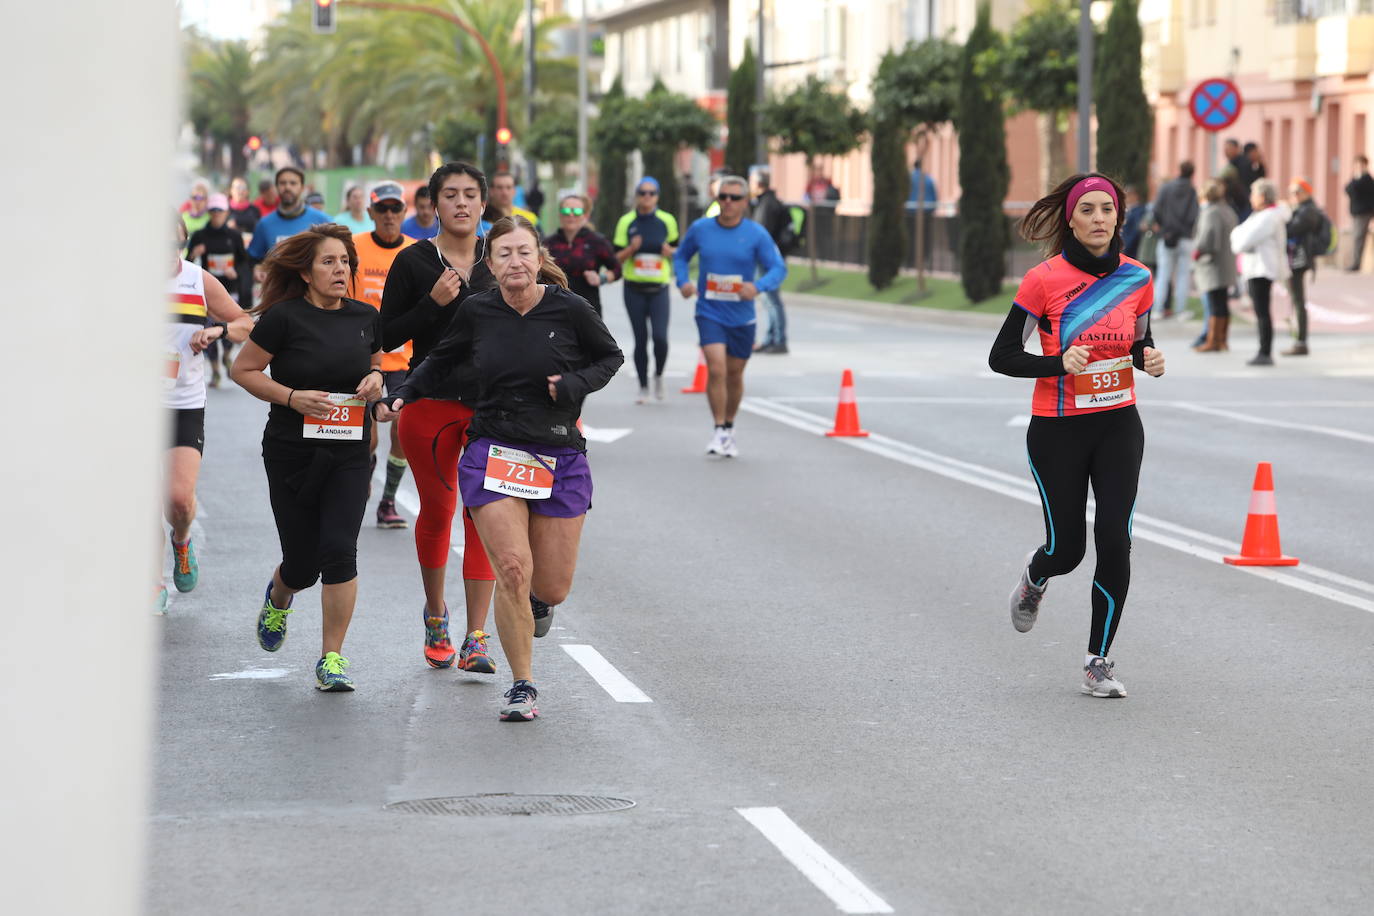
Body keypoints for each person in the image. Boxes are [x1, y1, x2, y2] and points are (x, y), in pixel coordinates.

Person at [378, 215, 624, 721]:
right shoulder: (478, 311)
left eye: (524, 252)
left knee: (549, 585)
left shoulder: (570, 308)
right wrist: (403, 392)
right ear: (491, 264)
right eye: (504, 254)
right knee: (511, 567)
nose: (515, 262)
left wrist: (575, 385)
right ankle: (523, 685)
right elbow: (439, 361)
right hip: (495, 448)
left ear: (539, 260)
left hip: (558, 452)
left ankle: (539, 602)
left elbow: (610, 357)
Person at [988, 173, 1166, 699]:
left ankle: (1098, 661)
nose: (1097, 219)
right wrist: (1056, 363)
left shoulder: (1138, 278)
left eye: (1106, 210)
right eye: (1086, 210)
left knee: (1115, 538)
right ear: (1070, 218)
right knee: (1067, 549)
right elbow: (1002, 357)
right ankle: (1036, 576)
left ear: (1119, 218)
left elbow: (1138, 341)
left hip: (1118, 425)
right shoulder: (1043, 280)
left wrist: (1148, 359)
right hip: (1057, 430)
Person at [229, 225, 383, 692]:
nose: (340, 270)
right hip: (292, 451)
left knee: (339, 550)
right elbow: (243, 369)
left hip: (351, 452)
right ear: (306, 271)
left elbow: (375, 364)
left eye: (345, 262)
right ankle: (280, 595)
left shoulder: (364, 316)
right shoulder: (283, 318)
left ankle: (331, 658)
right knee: (302, 564)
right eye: (329, 262)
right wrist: (291, 397)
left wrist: (377, 380)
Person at [380, 162, 498, 673]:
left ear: (484, 204)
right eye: (450, 195)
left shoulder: (501, 258)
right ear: (434, 205)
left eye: (470, 194)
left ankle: (477, 636)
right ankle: (435, 615)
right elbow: (384, 336)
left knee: (485, 517)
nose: (461, 204)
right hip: (430, 405)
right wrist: (431, 303)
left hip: (492, 408)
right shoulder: (413, 262)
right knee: (439, 510)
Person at [161, 216, 253, 613]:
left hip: (183, 401)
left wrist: (215, 332)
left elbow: (243, 321)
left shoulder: (197, 281)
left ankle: (181, 541)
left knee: (179, 500)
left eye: (173, 246)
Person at [673, 174, 787, 458]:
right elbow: (681, 256)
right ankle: (719, 428)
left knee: (735, 374)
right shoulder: (701, 229)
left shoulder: (756, 233)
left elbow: (778, 268)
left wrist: (757, 287)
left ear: (745, 202)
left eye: (734, 198)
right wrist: (683, 281)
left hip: (742, 315)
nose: (727, 202)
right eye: (722, 196)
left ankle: (730, 424)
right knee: (717, 368)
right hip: (709, 311)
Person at [351, 181, 416, 527]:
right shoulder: (355, 249)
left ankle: (388, 501)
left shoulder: (419, 251)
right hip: (364, 357)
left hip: (405, 358)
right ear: (371, 212)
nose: (390, 215)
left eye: (396, 209)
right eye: (383, 209)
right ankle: (363, 478)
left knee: (402, 434)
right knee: (368, 438)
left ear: (405, 213)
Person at [613, 177, 680, 403]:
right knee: (640, 338)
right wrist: (631, 249)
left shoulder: (667, 221)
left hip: (659, 287)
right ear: (637, 195)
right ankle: (643, 386)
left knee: (660, 337)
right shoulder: (626, 222)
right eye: (643, 193)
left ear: (657, 196)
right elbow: (615, 257)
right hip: (634, 288)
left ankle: (659, 375)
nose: (647, 197)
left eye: (652, 193)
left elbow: (678, 250)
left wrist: (670, 252)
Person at [186, 194, 248, 386]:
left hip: (230, 290)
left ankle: (227, 356)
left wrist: (235, 271)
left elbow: (244, 262)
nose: (216, 215)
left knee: (228, 330)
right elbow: (186, 264)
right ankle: (215, 372)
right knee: (208, 331)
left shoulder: (234, 236)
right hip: (207, 292)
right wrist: (194, 253)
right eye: (212, 211)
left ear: (227, 212)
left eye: (219, 211)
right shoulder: (199, 235)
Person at [1229, 179, 1290, 367]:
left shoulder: (1267, 218)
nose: (1251, 198)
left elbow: (1241, 241)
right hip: (1256, 268)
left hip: (1261, 269)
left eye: (1254, 194)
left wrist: (1238, 236)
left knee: (1262, 311)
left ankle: (1265, 351)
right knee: (1261, 311)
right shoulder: (1261, 215)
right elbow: (1237, 235)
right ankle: (1263, 349)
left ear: (1262, 197)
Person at [544, 192, 621, 317]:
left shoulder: (597, 242)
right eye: (566, 210)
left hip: (588, 309)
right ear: (559, 214)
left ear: (585, 215)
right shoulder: (548, 244)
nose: (571, 215)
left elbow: (617, 269)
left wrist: (601, 278)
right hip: (555, 308)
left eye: (577, 211)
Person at [1191, 178, 1238, 352]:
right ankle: (1223, 339)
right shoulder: (1228, 210)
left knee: (1214, 303)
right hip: (1226, 261)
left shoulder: (1210, 213)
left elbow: (1206, 240)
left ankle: (1213, 340)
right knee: (1223, 302)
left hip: (1212, 264)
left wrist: (1197, 251)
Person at [246, 167, 332, 262]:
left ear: (302, 188)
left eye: (293, 183)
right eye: (282, 183)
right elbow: (253, 259)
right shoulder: (264, 224)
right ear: (276, 187)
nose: (287, 187)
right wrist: (257, 269)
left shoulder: (322, 221)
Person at [750, 166, 792, 354]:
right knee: (768, 300)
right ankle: (770, 338)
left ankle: (778, 339)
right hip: (768, 258)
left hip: (768, 259)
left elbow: (762, 234)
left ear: (759, 184)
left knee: (772, 300)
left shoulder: (767, 205)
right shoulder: (766, 202)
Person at [1150, 161, 1198, 319]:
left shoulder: (1166, 188)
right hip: (1185, 237)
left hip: (1167, 236)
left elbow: (1156, 209)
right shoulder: (1191, 191)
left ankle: (1158, 309)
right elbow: (1193, 215)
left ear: (1179, 170)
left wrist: (1163, 227)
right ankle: (1180, 310)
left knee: (1163, 274)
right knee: (1183, 275)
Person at [1283, 178, 1323, 356]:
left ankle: (1301, 341)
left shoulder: (1308, 211)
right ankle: (1297, 338)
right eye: (1291, 193)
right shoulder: (1302, 209)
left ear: (1305, 192)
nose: (1293, 196)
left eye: (1296, 192)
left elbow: (1291, 229)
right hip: (1295, 258)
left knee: (1298, 301)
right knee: (1295, 300)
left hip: (1299, 260)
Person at [1345, 154, 1374, 271]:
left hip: (1364, 212)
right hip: (1357, 212)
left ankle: (1356, 264)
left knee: (1358, 237)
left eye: (1360, 164)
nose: (1358, 167)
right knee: (1357, 237)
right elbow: (1347, 189)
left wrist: (1357, 178)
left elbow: (1355, 189)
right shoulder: (1357, 178)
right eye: (1356, 164)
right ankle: (1355, 263)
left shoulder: (1367, 179)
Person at [1120, 186, 1147, 259]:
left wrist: (1126, 246)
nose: (1126, 198)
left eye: (1128, 195)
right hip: (1124, 246)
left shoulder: (1140, 210)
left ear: (1135, 196)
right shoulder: (1127, 210)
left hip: (1132, 249)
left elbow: (1136, 230)